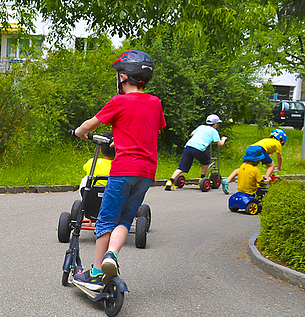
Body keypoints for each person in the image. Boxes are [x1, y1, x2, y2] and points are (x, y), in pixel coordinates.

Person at [73, 50, 167, 290]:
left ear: (124, 77)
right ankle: (112, 254)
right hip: (146, 173)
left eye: (118, 75)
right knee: (125, 218)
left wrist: (80, 133)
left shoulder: (118, 102)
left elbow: (90, 124)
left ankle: (94, 273)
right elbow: (144, 129)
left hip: (124, 169)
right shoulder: (155, 103)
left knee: (105, 220)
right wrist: (120, 139)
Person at [164, 114, 227, 191]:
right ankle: (202, 177)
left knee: (182, 167)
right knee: (207, 160)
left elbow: (192, 134)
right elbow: (220, 144)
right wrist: (223, 139)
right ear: (216, 124)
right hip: (198, 148)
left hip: (188, 146)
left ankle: (170, 181)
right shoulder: (214, 132)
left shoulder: (201, 127)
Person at [222, 128, 286, 193]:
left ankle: (227, 180)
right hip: (260, 149)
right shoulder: (278, 144)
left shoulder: (267, 140)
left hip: (251, 148)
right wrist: (279, 167)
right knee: (272, 165)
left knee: (243, 167)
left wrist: (271, 171)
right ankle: (265, 181)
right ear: (282, 139)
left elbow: (267, 163)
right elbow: (279, 157)